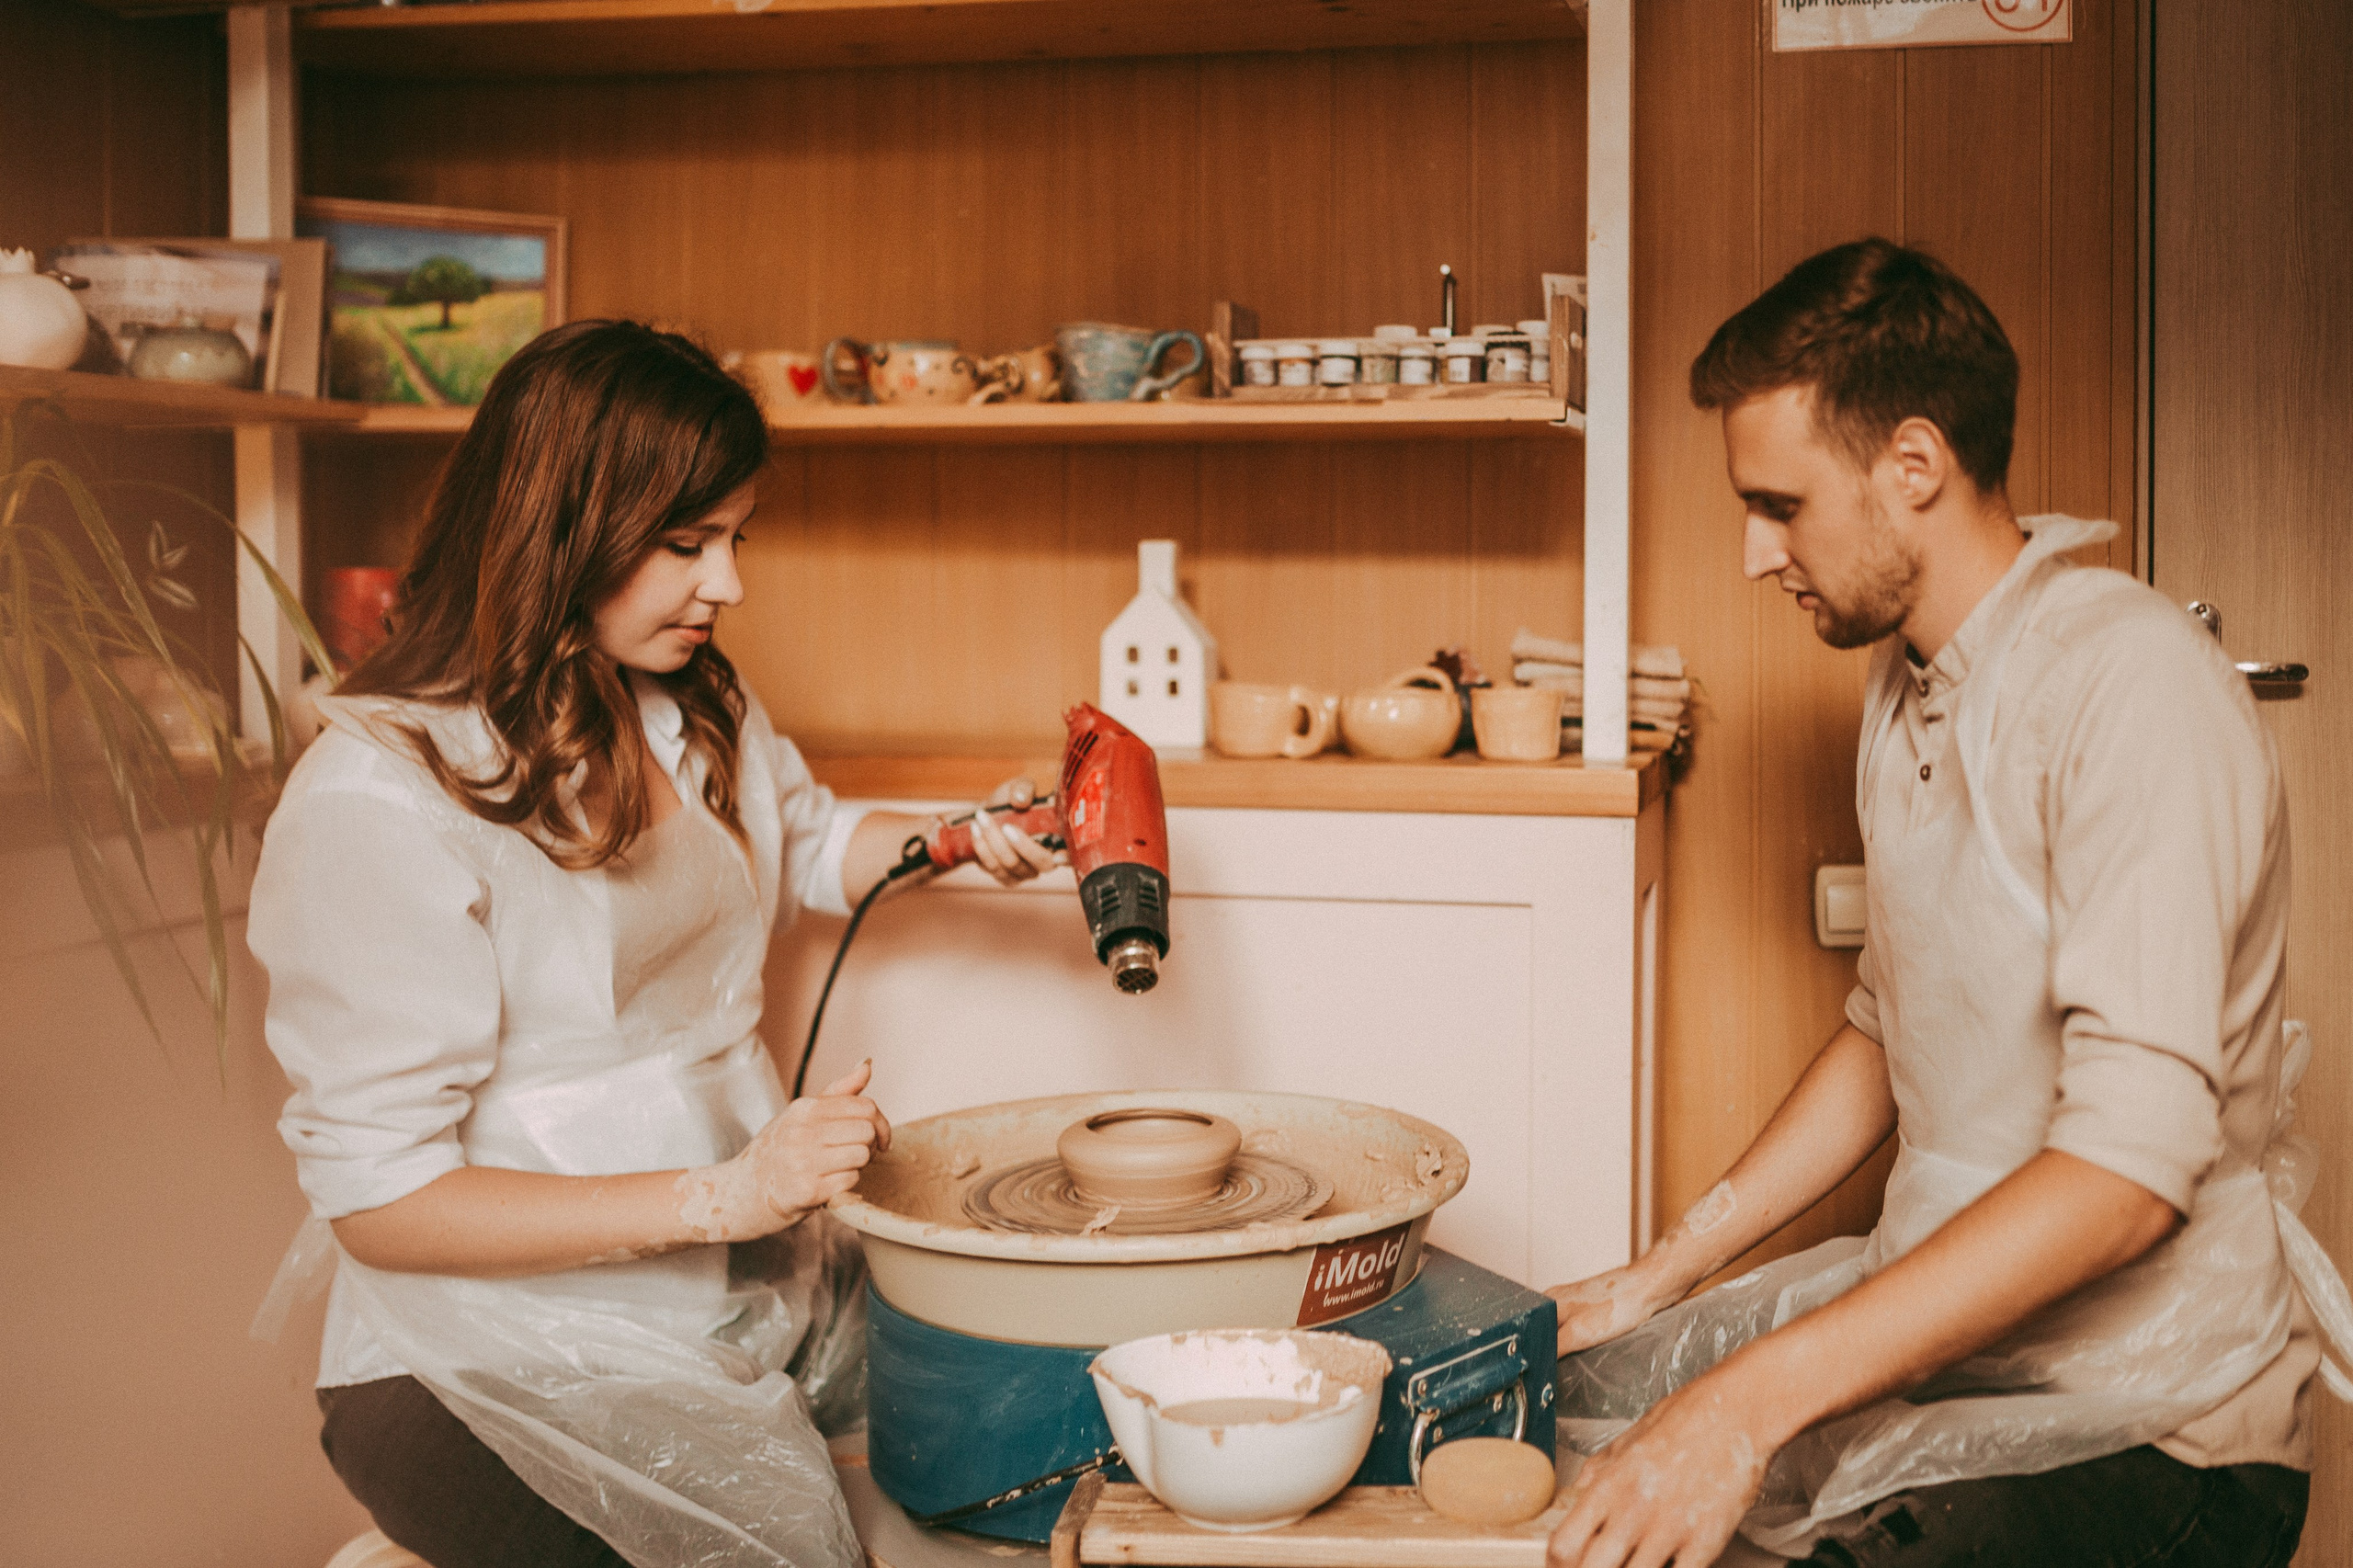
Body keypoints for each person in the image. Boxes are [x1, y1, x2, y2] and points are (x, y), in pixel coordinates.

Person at [1542, 240, 2346, 1568]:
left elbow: (2128, 1177)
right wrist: (1654, 1278)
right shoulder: (1909, 690)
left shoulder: (2132, 686)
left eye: (1779, 503)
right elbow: (1887, 1027)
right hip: (1973, 1375)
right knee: (1587, 1430)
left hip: (2158, 1429)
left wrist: (1744, 1405)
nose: (1753, 552)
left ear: (1912, 466)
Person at [248, 321, 1059, 1568]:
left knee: (1022, 1452)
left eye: (737, 536)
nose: (726, 583)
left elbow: (808, 833)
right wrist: (722, 1193)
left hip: (731, 1285)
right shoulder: (380, 796)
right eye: (687, 544)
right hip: (476, 1368)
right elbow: (385, 1202)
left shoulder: (686, 697)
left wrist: (965, 836)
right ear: (558, 524)